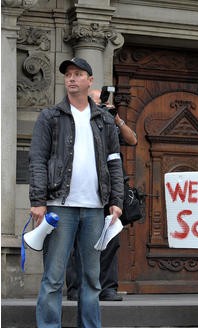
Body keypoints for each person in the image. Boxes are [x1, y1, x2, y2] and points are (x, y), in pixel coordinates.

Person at [29, 57, 124, 327]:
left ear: (90, 81)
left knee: (91, 279)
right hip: (59, 206)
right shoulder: (50, 116)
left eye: (78, 74)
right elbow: (36, 159)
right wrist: (38, 201)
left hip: (94, 209)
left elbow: (115, 162)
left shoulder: (104, 120)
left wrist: (116, 201)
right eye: (68, 74)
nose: (71, 78)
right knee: (53, 278)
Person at [66, 88, 137, 302]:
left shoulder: (109, 123)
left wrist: (116, 119)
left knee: (111, 238)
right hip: (84, 189)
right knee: (78, 240)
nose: (98, 105)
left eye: (101, 102)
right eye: (95, 101)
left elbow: (132, 140)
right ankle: (76, 288)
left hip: (110, 190)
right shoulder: (78, 120)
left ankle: (107, 288)